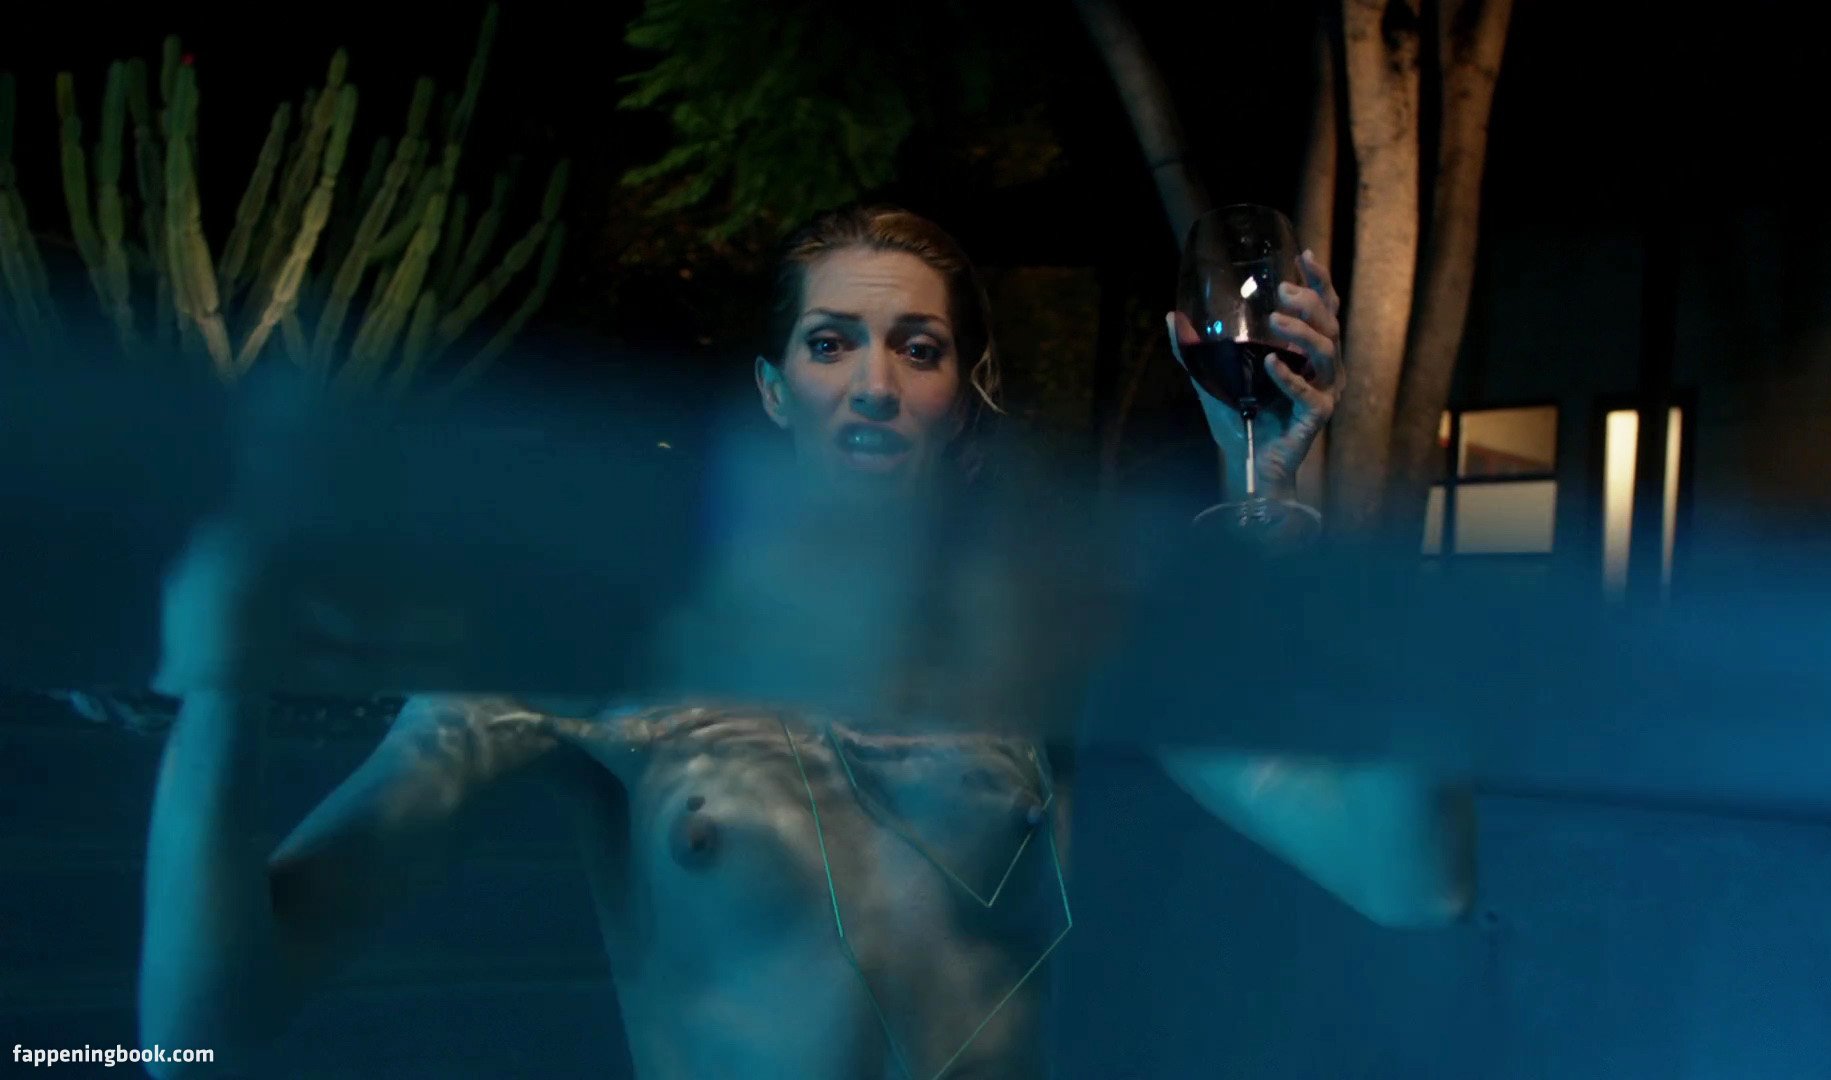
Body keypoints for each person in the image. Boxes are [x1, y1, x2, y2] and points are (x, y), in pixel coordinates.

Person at [137, 207, 1474, 1079]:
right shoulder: (603, 669)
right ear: (774, 391)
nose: (875, 384)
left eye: (919, 348)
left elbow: (1409, 876)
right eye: (833, 344)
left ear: (964, 397)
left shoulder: (1050, 656)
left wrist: (1285, 514)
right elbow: (203, 1032)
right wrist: (220, 694)